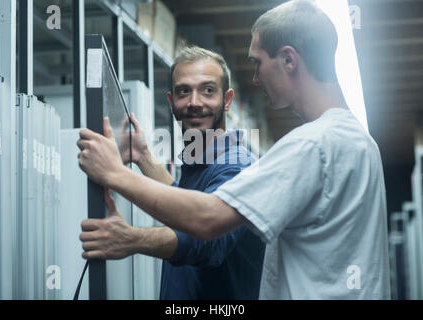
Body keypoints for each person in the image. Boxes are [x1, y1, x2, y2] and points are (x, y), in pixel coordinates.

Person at [78, 0, 391, 299]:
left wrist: (115, 174)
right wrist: (145, 159)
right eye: (183, 92)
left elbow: (208, 221)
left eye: (258, 63)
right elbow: (200, 206)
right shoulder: (358, 140)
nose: (255, 78)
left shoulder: (311, 144)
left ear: (288, 60)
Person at [79, 46, 265, 299]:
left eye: (207, 90)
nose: (194, 102)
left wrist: (131, 238)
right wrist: (143, 158)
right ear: (171, 102)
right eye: (183, 91)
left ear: (227, 99)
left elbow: (206, 238)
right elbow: (186, 206)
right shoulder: (202, 163)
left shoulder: (238, 166)